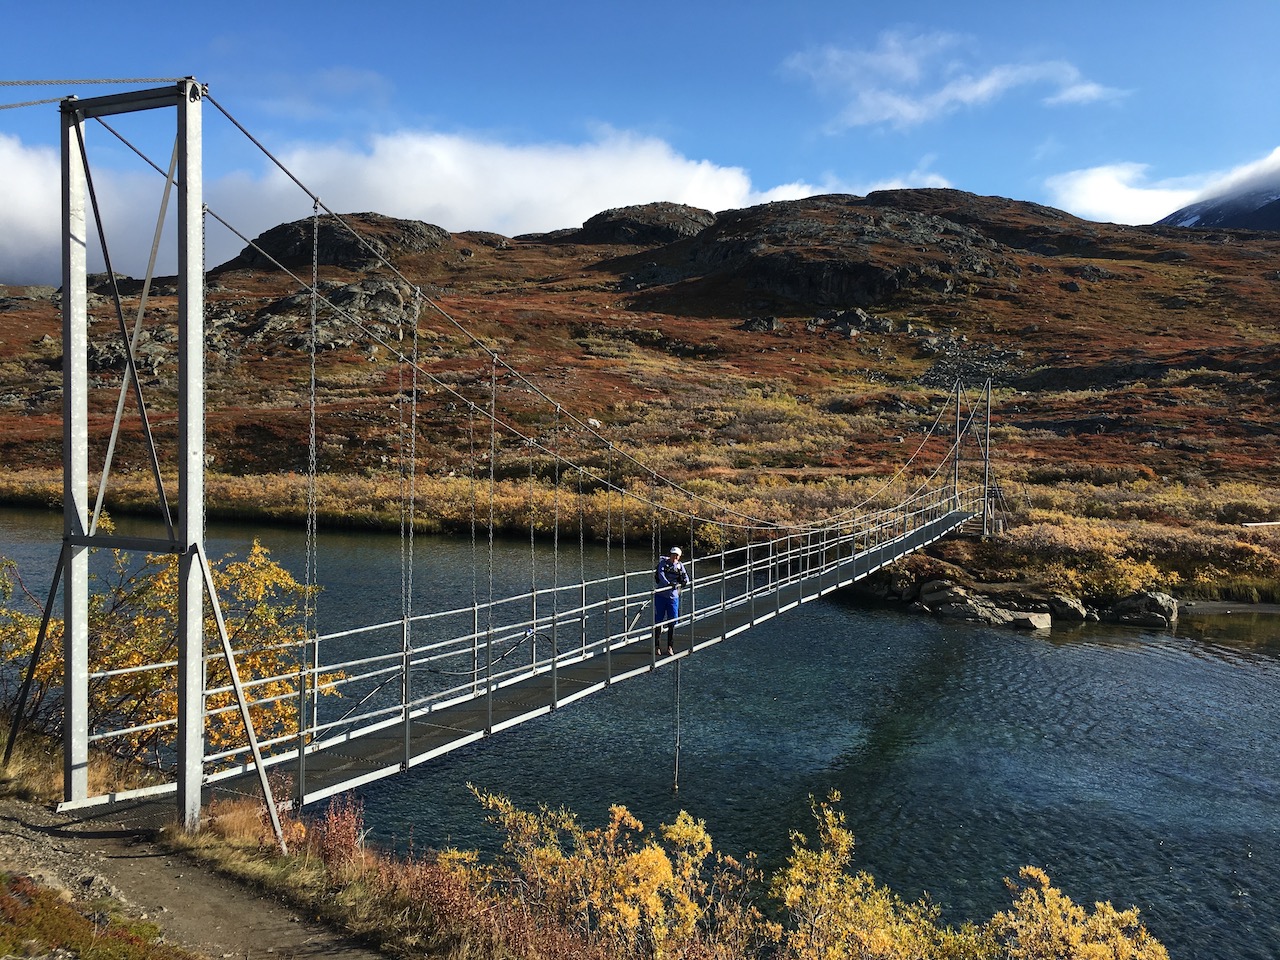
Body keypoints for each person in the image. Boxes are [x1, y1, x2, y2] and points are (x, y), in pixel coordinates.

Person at [653, 546, 690, 655]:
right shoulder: (663, 563)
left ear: (679, 556)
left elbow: (686, 577)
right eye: (673, 554)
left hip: (673, 598)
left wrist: (684, 582)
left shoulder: (680, 565)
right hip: (661, 596)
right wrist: (668, 584)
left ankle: (670, 647)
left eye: (676, 555)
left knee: (672, 622)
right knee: (658, 621)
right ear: (670, 554)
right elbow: (661, 574)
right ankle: (657, 646)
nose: (674, 557)